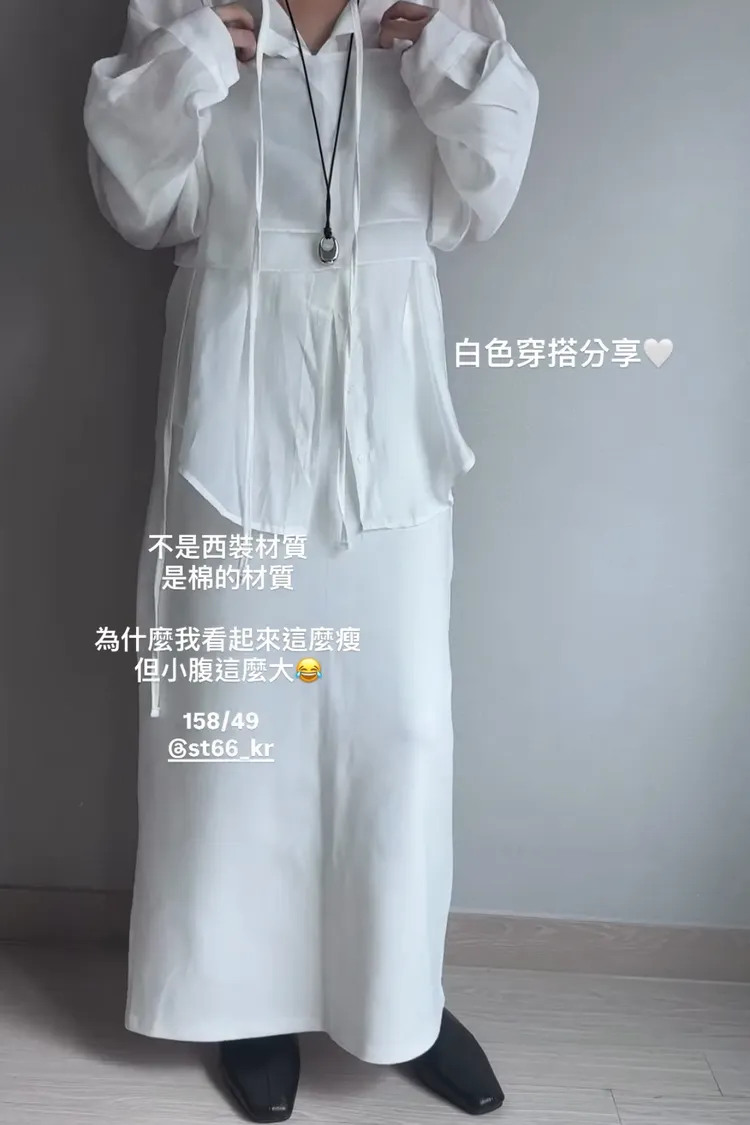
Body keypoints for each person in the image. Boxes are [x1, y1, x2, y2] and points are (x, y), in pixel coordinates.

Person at [83, 0, 538, 1119]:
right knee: (234, 717)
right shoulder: (186, 6)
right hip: (233, 392)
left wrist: (445, 60)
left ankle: (400, 1000)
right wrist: (194, 57)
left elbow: (489, 193)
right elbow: (138, 205)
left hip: (388, 392)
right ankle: (244, 1002)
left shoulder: (436, 8)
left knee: (400, 724)